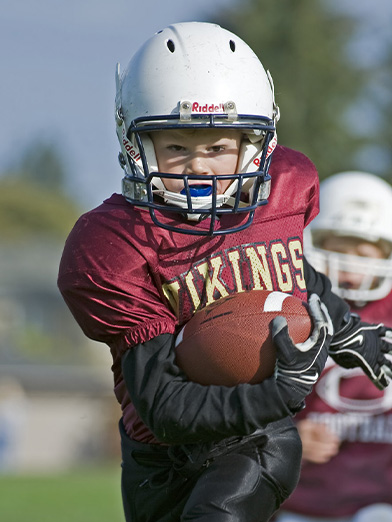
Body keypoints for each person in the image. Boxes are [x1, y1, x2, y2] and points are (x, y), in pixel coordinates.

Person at [57, 23, 392, 522]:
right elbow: (164, 407)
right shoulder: (113, 243)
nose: (199, 168)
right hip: (159, 453)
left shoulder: (285, 188)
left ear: (258, 142)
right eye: (176, 147)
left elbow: (294, 276)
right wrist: (283, 388)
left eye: (217, 148)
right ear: (136, 143)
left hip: (256, 438)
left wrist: (349, 331)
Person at [274, 171, 392, 522]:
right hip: (301, 501)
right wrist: (282, 437)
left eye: (365, 253)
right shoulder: (285, 306)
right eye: (338, 249)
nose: (351, 270)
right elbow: (245, 403)